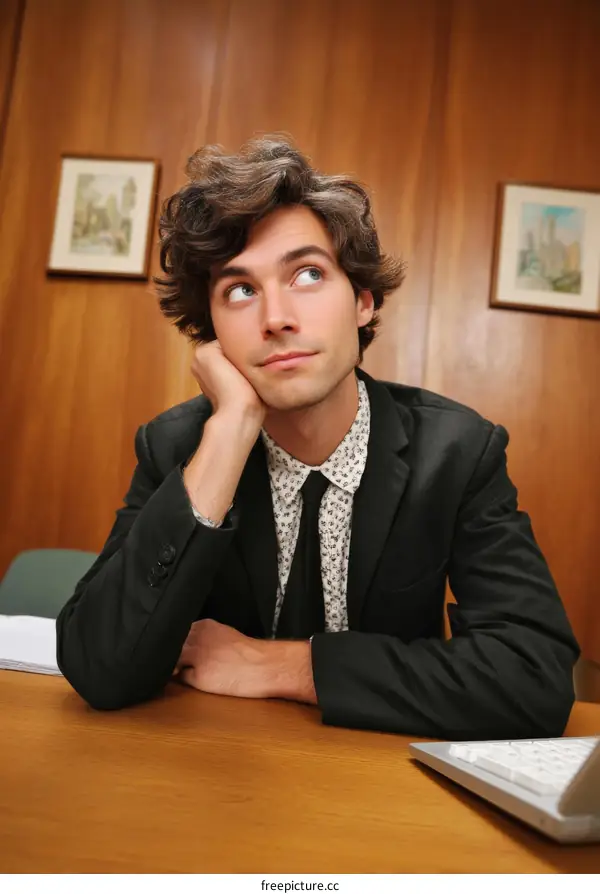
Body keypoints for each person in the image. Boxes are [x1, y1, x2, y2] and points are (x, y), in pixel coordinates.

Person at [56, 137, 579, 739]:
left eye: (307, 274)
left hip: (381, 791)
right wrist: (229, 432)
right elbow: (99, 669)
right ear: (212, 335)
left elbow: (534, 680)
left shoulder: (458, 452)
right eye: (240, 290)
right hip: (212, 782)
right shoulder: (180, 447)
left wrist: (289, 666)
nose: (275, 316)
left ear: (362, 301)